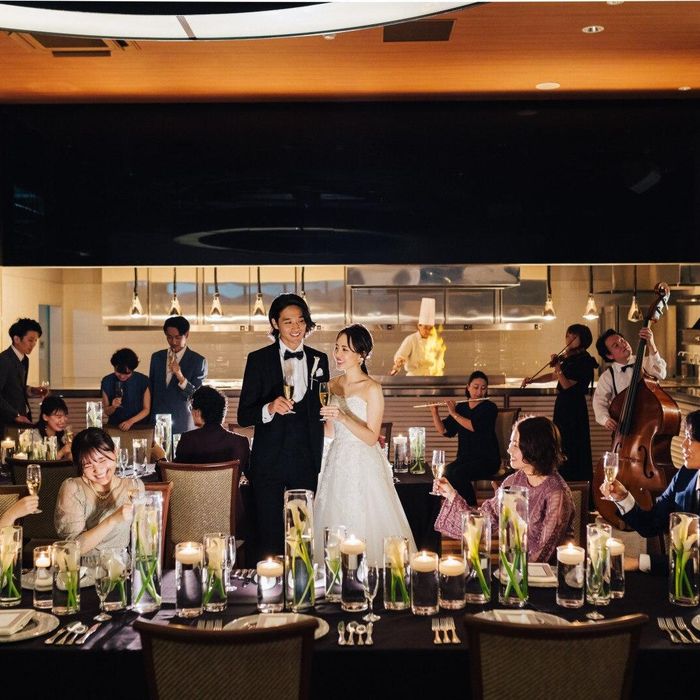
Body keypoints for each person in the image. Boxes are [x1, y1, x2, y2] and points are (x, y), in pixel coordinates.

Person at [237, 293, 329, 559]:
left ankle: (301, 579)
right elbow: (244, 415)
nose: (296, 327)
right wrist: (269, 408)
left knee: (302, 533)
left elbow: (321, 407)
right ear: (275, 324)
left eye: (301, 320)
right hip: (269, 460)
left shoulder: (319, 359)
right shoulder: (258, 359)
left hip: (307, 458)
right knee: (269, 533)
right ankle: (270, 579)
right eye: (288, 322)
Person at [315, 324, 416, 562]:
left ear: (361, 355)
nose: (338, 354)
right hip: (336, 460)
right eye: (337, 348)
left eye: (345, 349)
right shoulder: (330, 385)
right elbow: (330, 431)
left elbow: (372, 437)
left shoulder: (372, 388)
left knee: (368, 519)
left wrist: (343, 417)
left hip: (364, 462)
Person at [435, 416, 575, 563]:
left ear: (534, 446)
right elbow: (484, 521)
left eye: (515, 444)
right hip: (512, 569)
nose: (509, 450)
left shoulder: (556, 494)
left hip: (545, 573)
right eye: (510, 443)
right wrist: (451, 494)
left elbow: (544, 552)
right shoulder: (513, 481)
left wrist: (514, 572)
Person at [602, 410, 700, 574]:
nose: (683, 445)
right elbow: (651, 524)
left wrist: (638, 562)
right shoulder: (685, 475)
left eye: (690, 439)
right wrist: (623, 497)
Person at [522, 324, 598, 483]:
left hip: (574, 407)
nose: (569, 339)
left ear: (583, 340)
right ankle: (562, 482)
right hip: (563, 405)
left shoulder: (584, 360)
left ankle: (577, 485)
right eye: (568, 335)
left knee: (573, 444)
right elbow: (553, 376)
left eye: (574, 337)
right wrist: (532, 380)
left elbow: (567, 385)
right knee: (560, 442)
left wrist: (558, 367)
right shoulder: (569, 357)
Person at [54, 427, 144, 554]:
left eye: (102, 460)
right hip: (84, 564)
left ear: (115, 452)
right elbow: (72, 549)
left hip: (121, 564)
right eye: (88, 465)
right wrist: (113, 519)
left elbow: (143, 540)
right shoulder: (73, 488)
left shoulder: (133, 486)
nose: (98, 470)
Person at [429, 370, 499, 506]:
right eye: (475, 387)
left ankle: (470, 507)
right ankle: (460, 506)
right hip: (465, 458)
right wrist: (434, 412)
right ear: (468, 387)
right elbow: (444, 430)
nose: (479, 392)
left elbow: (474, 427)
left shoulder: (490, 408)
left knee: (458, 474)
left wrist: (453, 413)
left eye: (483, 388)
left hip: (487, 459)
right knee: (447, 472)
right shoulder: (461, 407)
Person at [592, 327, 666, 431]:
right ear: (609, 356)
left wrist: (651, 345)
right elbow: (599, 402)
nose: (623, 345)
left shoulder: (645, 362)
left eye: (622, 340)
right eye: (616, 345)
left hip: (650, 423)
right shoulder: (607, 376)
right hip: (625, 427)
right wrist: (606, 420)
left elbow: (661, 373)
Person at [149, 316, 207, 434]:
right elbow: (151, 388)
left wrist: (180, 375)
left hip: (182, 419)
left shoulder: (198, 361)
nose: (173, 342)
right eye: (169, 337)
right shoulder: (157, 357)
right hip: (158, 419)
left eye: (177, 337)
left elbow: (195, 395)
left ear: (187, 334)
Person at [175, 385, 250, 469]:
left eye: (191, 408)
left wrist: (163, 458)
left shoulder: (187, 440)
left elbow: (173, 474)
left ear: (198, 412)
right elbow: (252, 474)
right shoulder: (240, 442)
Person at [0, 318, 48, 427]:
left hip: (22, 417)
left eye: (35, 341)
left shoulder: (25, 359)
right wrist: (15, 415)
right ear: (16, 339)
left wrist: (32, 390)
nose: (33, 344)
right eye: (30, 340)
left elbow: (13, 386)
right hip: (7, 421)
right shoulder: (4, 360)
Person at [101, 348, 151, 431]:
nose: (122, 376)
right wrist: (113, 407)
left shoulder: (143, 380)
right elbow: (106, 411)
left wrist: (130, 421)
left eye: (127, 373)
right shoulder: (107, 381)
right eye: (118, 372)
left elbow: (146, 409)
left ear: (133, 369)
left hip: (139, 427)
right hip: (115, 427)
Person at [390, 297, 439, 376]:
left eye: (430, 328)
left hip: (430, 377)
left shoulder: (434, 341)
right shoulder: (411, 339)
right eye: (425, 328)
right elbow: (401, 355)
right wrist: (399, 362)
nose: (428, 331)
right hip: (414, 377)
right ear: (419, 326)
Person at [35, 395, 72, 459]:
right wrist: (61, 452)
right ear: (45, 417)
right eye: (59, 417)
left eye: (65, 416)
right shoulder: (34, 436)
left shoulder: (64, 436)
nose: (63, 421)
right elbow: (40, 462)